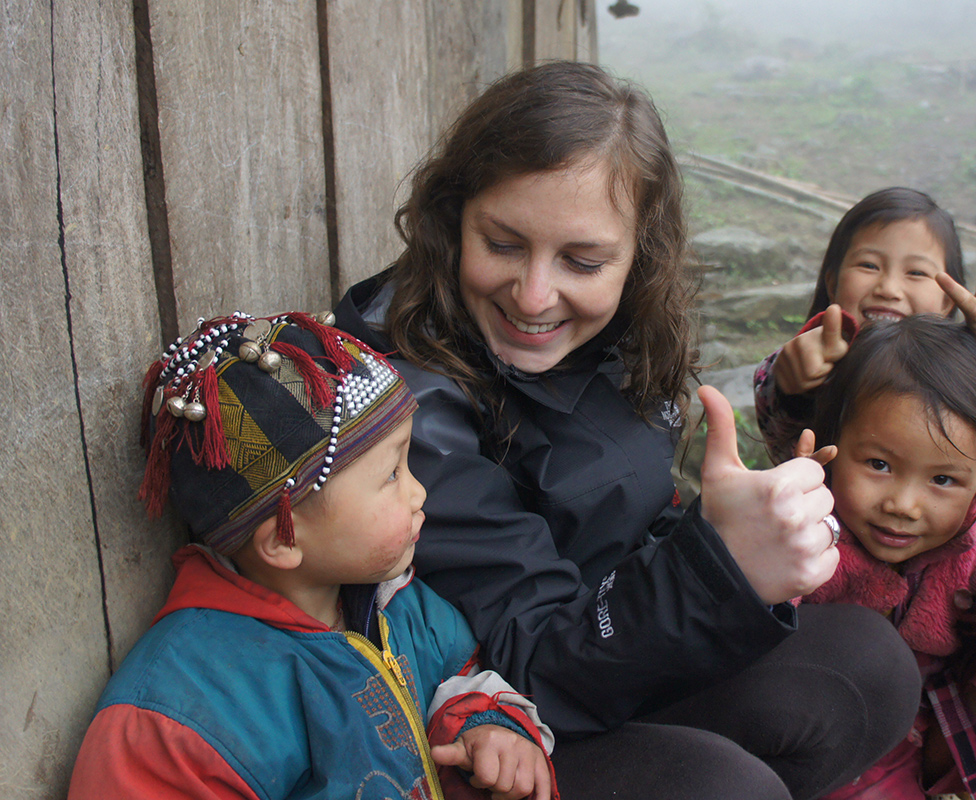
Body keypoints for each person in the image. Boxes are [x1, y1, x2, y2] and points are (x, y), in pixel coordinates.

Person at [333, 60, 922, 800]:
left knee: (869, 668)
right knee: (729, 791)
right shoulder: (406, 400)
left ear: (639, 255)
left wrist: (723, 536)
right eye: (504, 244)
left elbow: (619, 538)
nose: (535, 294)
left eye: (582, 260)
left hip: (594, 657)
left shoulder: (613, 339)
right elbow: (530, 658)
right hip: (476, 722)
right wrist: (720, 569)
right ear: (453, 219)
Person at [68, 312, 556, 800]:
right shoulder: (178, 716)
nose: (419, 491)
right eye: (391, 475)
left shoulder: (402, 606)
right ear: (284, 539)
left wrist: (491, 730)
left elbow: (459, 680)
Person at [796, 314, 976, 800]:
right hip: (854, 738)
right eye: (879, 464)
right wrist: (783, 527)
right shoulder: (810, 528)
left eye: (942, 480)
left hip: (953, 722)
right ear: (832, 443)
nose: (903, 505)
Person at [754, 187, 976, 465]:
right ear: (832, 282)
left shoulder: (955, 376)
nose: (889, 288)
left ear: (948, 301)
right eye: (868, 265)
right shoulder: (816, 366)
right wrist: (790, 384)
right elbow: (777, 427)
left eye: (916, 272)